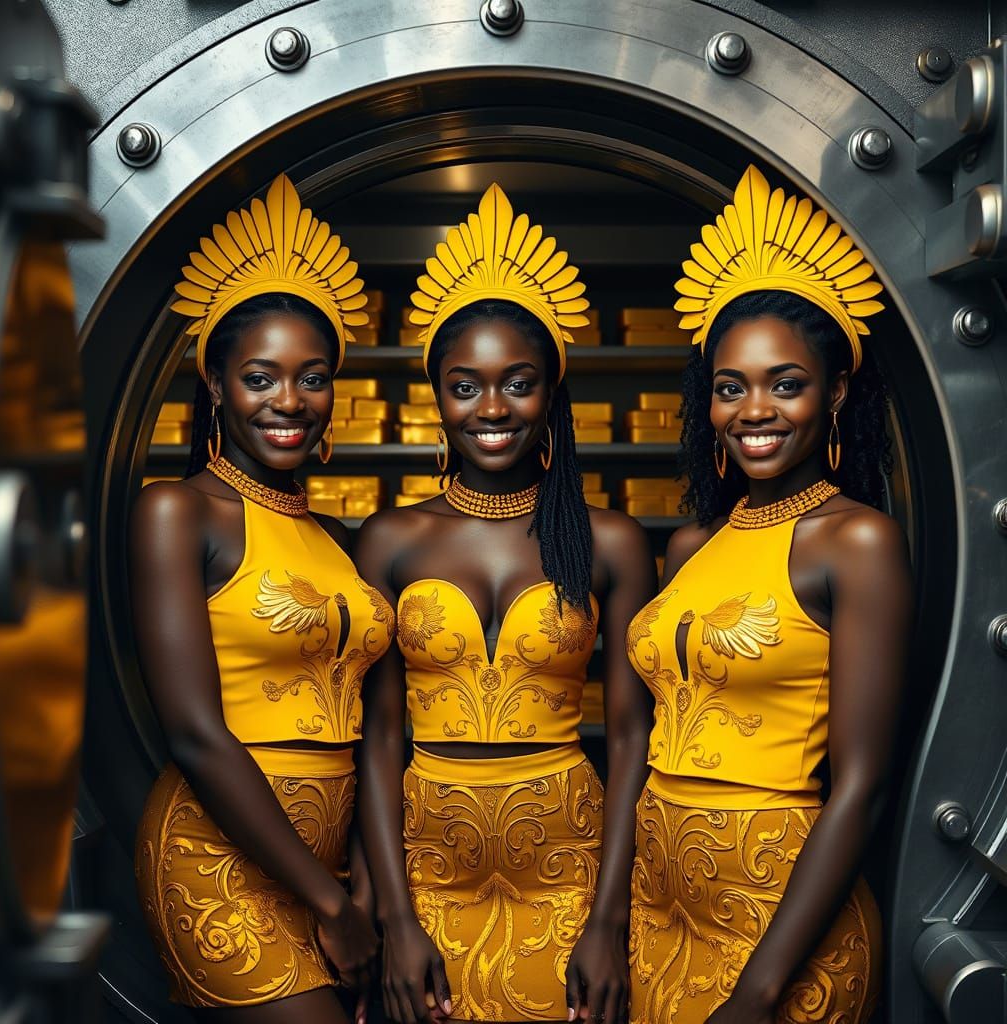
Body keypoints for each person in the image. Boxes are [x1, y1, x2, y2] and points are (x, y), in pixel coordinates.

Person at [357, 183, 657, 1024]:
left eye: (517, 384)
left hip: (569, 866)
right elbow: (378, 736)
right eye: (466, 386)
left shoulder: (611, 542)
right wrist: (395, 914)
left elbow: (635, 734)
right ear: (438, 398)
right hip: (424, 870)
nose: (492, 409)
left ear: (552, 394)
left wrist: (609, 917)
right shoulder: (390, 540)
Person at [626, 164, 913, 1023]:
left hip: (779, 944)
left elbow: (862, 786)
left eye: (785, 383)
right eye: (731, 386)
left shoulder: (855, 541)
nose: (756, 408)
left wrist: (758, 993)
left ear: (833, 396)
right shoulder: (691, 546)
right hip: (660, 922)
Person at [131, 174, 395, 1021]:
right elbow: (197, 735)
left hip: (330, 876)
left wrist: (352, 888)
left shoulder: (333, 541)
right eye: (261, 376)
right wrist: (330, 905)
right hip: (220, 862)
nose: (290, 401)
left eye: (312, 376)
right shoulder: (177, 511)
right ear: (216, 386)